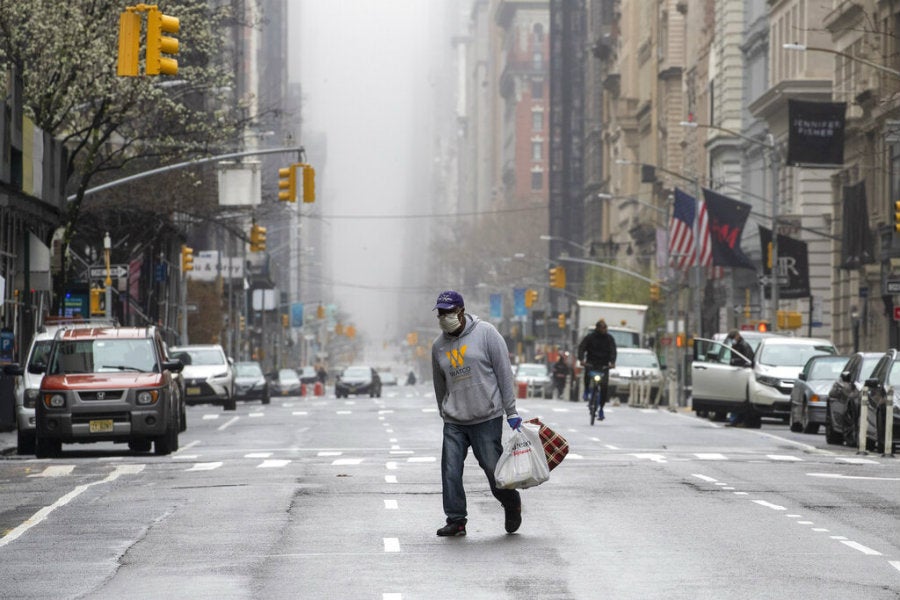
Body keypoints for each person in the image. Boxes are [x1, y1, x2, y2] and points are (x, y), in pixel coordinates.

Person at [431, 290, 523, 537]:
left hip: (486, 417)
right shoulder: (438, 346)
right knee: (450, 470)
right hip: (454, 421)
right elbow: (439, 384)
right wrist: (444, 411)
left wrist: (511, 410)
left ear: (461, 311)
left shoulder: (487, 333)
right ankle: (456, 520)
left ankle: (510, 501)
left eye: (448, 312)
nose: (443, 317)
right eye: (440, 313)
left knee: (494, 470)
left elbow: (504, 372)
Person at [577, 319, 617, 419]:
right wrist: (581, 360)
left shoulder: (609, 338)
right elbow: (581, 348)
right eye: (603, 328)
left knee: (604, 387)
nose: (605, 329)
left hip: (604, 366)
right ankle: (586, 390)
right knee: (587, 375)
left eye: (606, 327)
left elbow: (613, 351)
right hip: (591, 363)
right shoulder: (590, 338)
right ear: (598, 328)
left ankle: (601, 409)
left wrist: (612, 362)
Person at [725, 329, 754, 426]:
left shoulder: (744, 346)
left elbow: (747, 360)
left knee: (740, 399)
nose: (732, 340)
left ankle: (739, 420)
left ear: (737, 336)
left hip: (742, 374)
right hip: (736, 374)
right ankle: (735, 420)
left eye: (733, 338)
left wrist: (736, 362)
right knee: (735, 398)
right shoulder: (735, 345)